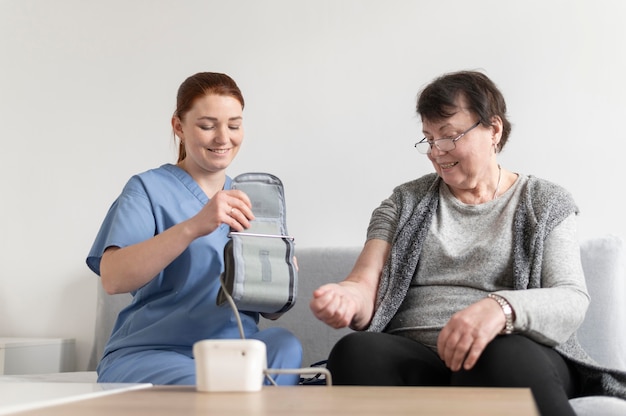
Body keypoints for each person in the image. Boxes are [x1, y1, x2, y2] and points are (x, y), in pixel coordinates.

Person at [310, 70, 626, 415]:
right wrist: (346, 298)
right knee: (357, 351)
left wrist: (500, 308)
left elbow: (570, 298)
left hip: (511, 355)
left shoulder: (545, 202)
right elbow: (363, 283)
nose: (436, 152)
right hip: (418, 360)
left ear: (494, 129)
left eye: (448, 136)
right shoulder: (404, 202)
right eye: (428, 139)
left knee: (498, 355)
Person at [86, 72, 302, 385]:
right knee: (212, 383)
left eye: (234, 125)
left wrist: (281, 280)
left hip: (233, 351)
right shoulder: (147, 189)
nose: (223, 138)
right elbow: (113, 278)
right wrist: (194, 226)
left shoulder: (251, 199)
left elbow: (270, 312)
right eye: (207, 125)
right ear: (179, 127)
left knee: (284, 345)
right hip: (155, 350)